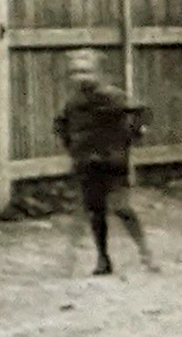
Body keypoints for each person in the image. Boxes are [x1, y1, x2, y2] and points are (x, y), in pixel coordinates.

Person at [55, 49, 152, 274]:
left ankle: (144, 251)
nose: (80, 77)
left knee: (121, 207)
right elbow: (61, 125)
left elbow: (142, 113)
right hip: (87, 164)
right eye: (76, 72)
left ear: (97, 73)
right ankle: (103, 258)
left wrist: (131, 137)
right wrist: (73, 147)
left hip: (113, 163)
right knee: (94, 211)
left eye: (86, 71)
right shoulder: (72, 103)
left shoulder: (112, 96)